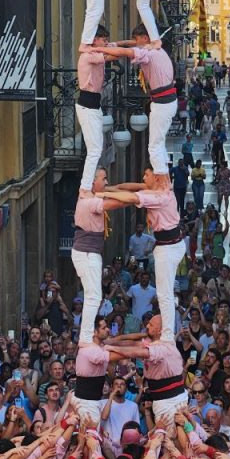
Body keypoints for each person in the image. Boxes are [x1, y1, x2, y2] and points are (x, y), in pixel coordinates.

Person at [100, 169, 185, 343]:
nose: (143, 177)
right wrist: (112, 187)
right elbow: (129, 188)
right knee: (163, 292)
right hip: (156, 249)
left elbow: (131, 198)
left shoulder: (159, 197)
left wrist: (103, 192)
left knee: (165, 294)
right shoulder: (156, 187)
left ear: (156, 177)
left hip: (165, 249)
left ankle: (167, 334)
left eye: (146, 174)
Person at [99, 29, 176, 174]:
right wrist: (113, 45)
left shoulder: (150, 54)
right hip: (164, 101)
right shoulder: (154, 48)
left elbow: (126, 52)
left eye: (137, 39)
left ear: (145, 38)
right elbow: (130, 45)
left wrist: (98, 52)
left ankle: (162, 180)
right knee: (157, 144)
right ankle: (162, 176)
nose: (135, 42)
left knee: (154, 146)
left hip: (163, 102)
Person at [72, 168, 125, 343]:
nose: (107, 182)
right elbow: (118, 203)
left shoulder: (89, 195)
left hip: (90, 253)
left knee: (93, 296)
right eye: (104, 179)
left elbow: (117, 189)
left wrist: (139, 191)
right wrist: (139, 198)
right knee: (93, 297)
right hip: (87, 254)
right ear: (93, 182)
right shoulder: (91, 202)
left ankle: (86, 335)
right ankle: (86, 337)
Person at [75, 27, 110, 193]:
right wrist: (134, 53)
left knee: (97, 148)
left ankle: (86, 186)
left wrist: (137, 46)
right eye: (104, 40)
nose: (107, 43)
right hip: (87, 106)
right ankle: (85, 187)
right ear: (95, 39)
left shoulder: (96, 51)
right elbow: (110, 55)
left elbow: (118, 46)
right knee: (94, 150)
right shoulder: (89, 56)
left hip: (93, 106)